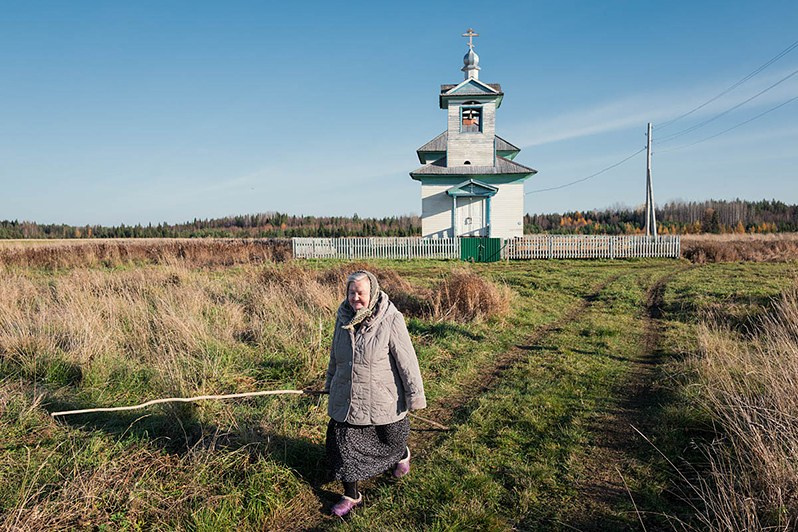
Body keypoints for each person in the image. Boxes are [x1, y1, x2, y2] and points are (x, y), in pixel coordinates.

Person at [324, 270, 427, 517]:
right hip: (348, 397)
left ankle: (401, 453)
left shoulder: (391, 318)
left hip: (383, 397)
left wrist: (415, 394)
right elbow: (335, 355)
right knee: (343, 445)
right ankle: (351, 495)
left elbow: (407, 360)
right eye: (351, 292)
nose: (355, 298)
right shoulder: (343, 317)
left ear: (373, 292)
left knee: (392, 438)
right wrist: (330, 383)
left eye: (361, 293)